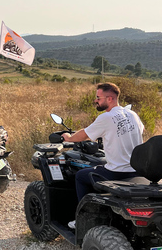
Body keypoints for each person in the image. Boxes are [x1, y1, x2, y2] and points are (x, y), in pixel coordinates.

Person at [61, 82, 144, 229]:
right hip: (137, 171)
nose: (96, 100)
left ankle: (83, 219)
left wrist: (69, 137)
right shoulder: (133, 115)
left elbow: (84, 134)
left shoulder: (107, 117)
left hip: (116, 173)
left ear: (110, 98)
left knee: (80, 176)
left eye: (98, 98)